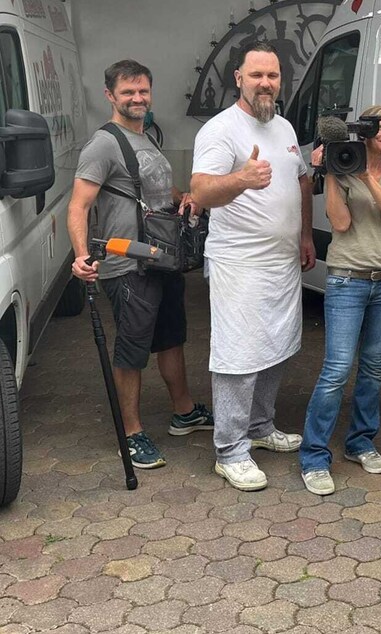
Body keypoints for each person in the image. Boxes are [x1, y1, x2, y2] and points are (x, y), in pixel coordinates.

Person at [68, 59, 213, 470]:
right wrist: (81, 256)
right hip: (126, 263)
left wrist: (183, 196)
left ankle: (184, 412)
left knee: (170, 337)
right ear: (110, 95)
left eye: (143, 91)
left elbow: (153, 190)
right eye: (128, 91)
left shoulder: (145, 137)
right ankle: (130, 434)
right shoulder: (103, 143)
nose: (137, 98)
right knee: (132, 349)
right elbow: (78, 206)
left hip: (161, 259)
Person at [191, 42, 316, 492]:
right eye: (257, 75)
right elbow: (201, 191)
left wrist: (304, 234)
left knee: (278, 344)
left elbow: (300, 179)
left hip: (281, 261)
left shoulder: (282, 125)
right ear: (239, 79)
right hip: (239, 262)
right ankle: (229, 450)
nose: (266, 83)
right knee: (238, 353)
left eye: (274, 75)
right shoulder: (220, 130)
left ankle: (260, 428)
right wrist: (241, 180)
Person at [299, 106, 381, 496]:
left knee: (374, 367)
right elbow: (342, 223)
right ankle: (314, 456)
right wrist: (332, 170)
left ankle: (360, 442)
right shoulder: (341, 171)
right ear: (364, 132)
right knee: (336, 369)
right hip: (348, 281)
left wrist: (365, 174)